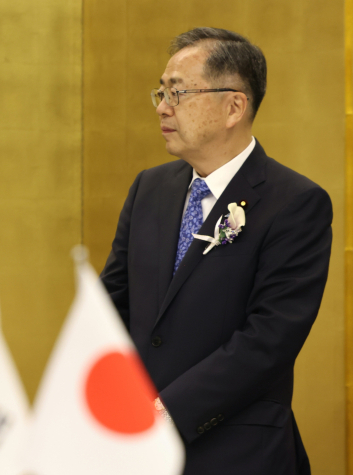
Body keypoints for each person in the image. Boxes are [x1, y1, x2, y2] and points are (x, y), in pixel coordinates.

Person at [101, 28, 332, 475]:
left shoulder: (295, 203)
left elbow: (268, 339)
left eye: (178, 93)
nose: (163, 107)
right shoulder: (149, 188)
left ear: (234, 106)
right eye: (161, 92)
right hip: (135, 452)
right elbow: (111, 302)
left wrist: (164, 412)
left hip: (237, 451)